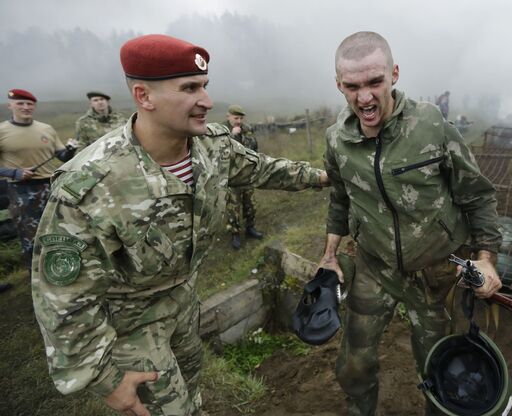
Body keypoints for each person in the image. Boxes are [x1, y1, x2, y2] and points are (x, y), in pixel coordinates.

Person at [31, 34, 328, 416]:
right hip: (132, 326)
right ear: (144, 96)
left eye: (204, 86)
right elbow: (63, 299)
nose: (206, 100)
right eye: (189, 88)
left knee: (192, 388)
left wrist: (324, 177)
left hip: (185, 303)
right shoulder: (90, 185)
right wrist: (105, 380)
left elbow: (264, 169)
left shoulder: (211, 146)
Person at [319, 31, 502, 416]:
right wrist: (330, 256)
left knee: (440, 370)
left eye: (375, 82)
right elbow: (339, 198)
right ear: (338, 84)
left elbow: (477, 194)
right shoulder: (336, 141)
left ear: (395, 74)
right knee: (354, 365)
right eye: (352, 86)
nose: (364, 97)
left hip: (435, 273)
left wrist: (485, 259)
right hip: (375, 267)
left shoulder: (430, 125)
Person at [0, 89, 77, 271]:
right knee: (32, 239)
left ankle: (64, 271)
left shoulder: (46, 129)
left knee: (61, 230)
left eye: (29, 104)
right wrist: (14, 173)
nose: (26, 107)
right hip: (21, 191)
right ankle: (38, 277)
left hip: (51, 186)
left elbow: (63, 157)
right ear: (10, 105)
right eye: (20, 103)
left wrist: (71, 149)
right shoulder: (2, 131)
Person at [222, 104, 263, 249]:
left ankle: (250, 228)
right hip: (231, 177)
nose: (238, 121)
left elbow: (253, 148)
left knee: (250, 204)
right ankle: (235, 234)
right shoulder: (223, 131)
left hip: (246, 175)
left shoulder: (247, 129)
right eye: (235, 118)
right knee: (233, 208)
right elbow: (223, 153)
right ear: (228, 117)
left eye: (240, 118)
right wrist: (233, 136)